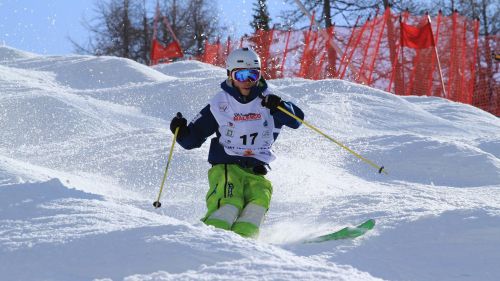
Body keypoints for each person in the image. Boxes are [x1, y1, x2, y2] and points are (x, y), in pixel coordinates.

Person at [169, 47, 304, 238]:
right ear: (230, 75)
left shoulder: (268, 100)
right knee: (230, 202)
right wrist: (181, 132)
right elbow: (193, 139)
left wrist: (280, 107)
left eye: (253, 74)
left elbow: (296, 121)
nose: (248, 81)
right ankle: (209, 237)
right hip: (226, 166)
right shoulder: (220, 104)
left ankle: (243, 241)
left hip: (257, 169)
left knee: (259, 202)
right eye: (241, 75)